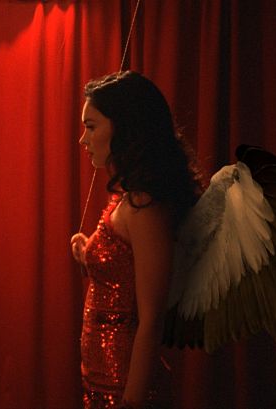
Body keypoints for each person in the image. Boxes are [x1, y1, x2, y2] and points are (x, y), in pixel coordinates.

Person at [70, 71, 202, 409]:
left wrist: (131, 401)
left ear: (124, 128)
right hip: (100, 381)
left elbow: (151, 319)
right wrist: (90, 254)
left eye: (91, 127)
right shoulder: (129, 198)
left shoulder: (146, 206)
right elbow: (124, 270)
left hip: (125, 389)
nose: (83, 139)